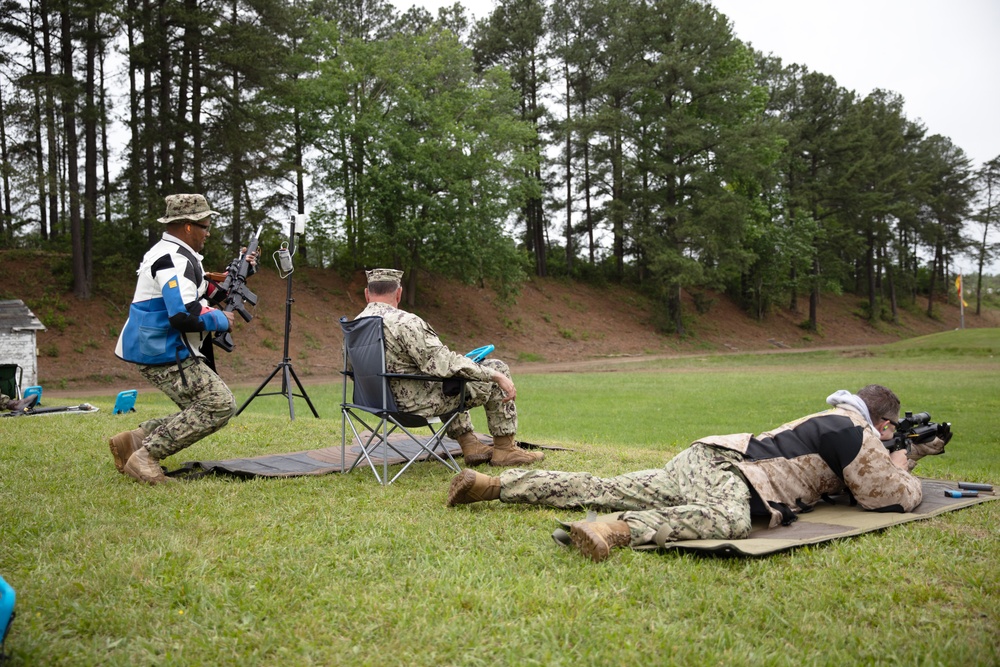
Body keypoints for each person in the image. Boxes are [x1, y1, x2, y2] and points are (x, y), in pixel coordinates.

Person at [447, 384, 947, 561]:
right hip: (732, 472)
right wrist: (909, 462)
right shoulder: (854, 432)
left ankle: (491, 485)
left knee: (607, 484)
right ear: (883, 423)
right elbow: (888, 497)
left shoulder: (838, 420)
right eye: (891, 430)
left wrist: (901, 452)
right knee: (729, 521)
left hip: (706, 456)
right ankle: (613, 529)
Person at [108, 194, 253, 485]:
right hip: (163, 349)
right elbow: (183, 313)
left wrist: (232, 279)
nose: (207, 232)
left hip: (159, 347)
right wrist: (220, 319)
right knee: (218, 404)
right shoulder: (173, 259)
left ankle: (133, 441)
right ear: (188, 227)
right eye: (205, 225)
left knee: (202, 405)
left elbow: (197, 292)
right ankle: (145, 457)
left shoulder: (173, 253)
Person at [351, 268, 542, 467]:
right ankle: (505, 449)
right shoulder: (405, 322)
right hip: (413, 407)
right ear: (399, 293)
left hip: (374, 403)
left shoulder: (354, 326)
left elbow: (352, 370)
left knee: (448, 380)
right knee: (494, 368)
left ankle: (470, 444)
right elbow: (444, 363)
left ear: (367, 294)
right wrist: (494, 375)